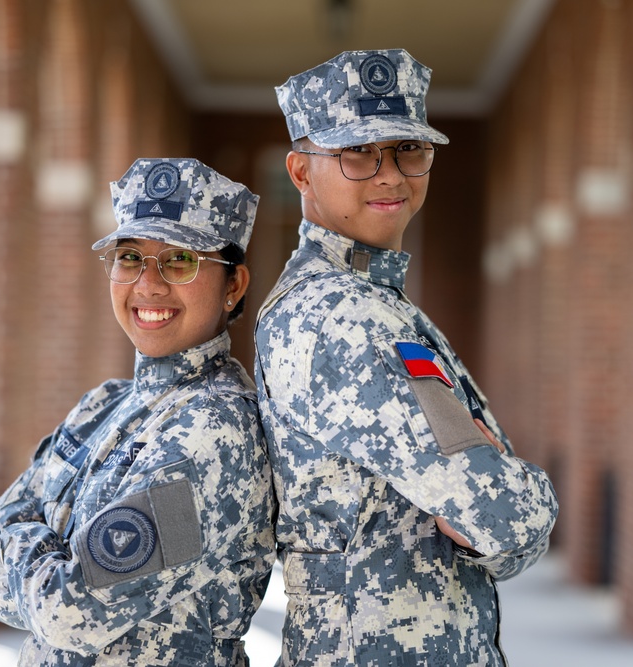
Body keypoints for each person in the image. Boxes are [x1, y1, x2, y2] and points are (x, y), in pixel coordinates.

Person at [254, 49, 559, 665]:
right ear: (300, 171)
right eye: (358, 154)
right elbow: (501, 517)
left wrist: (493, 501)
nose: (390, 175)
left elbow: (491, 528)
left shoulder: (376, 302)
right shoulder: (342, 316)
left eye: (408, 151)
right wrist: (522, 493)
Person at [0, 158, 275, 666]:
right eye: (130, 257)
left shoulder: (216, 432)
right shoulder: (103, 405)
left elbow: (68, 611)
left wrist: (20, 536)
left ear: (234, 286)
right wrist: (43, 562)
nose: (148, 285)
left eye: (180, 260)